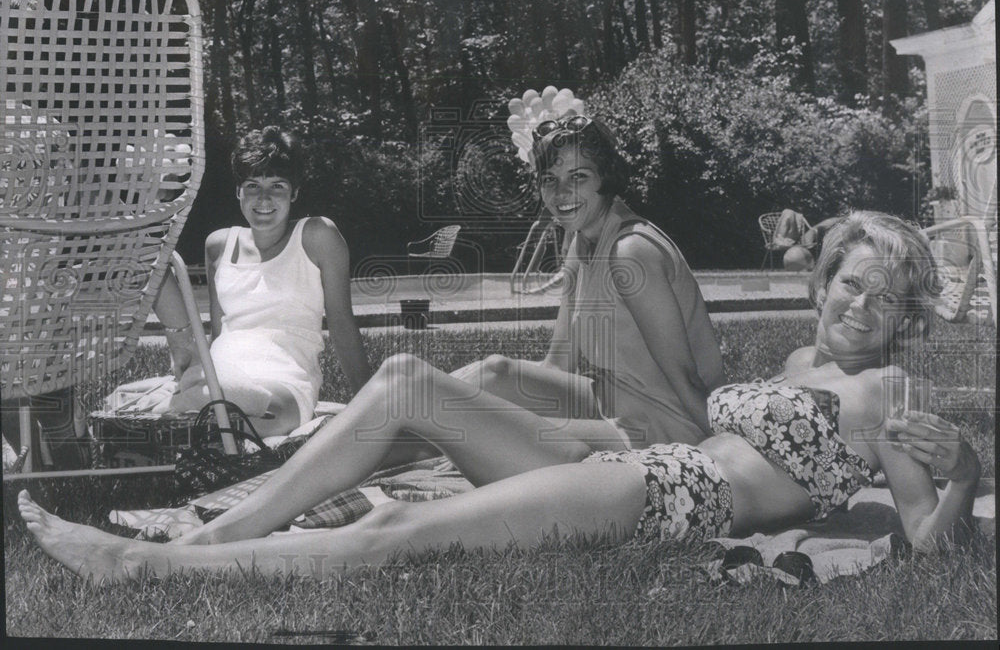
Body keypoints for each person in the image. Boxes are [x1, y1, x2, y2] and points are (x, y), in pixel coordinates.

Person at [18, 211, 982, 582]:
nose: (861, 304)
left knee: (402, 527)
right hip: (632, 466)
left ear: (904, 315)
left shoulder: (887, 389)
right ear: (824, 282)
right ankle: (219, 536)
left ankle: (148, 571)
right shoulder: (798, 365)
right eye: (851, 283)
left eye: (885, 295)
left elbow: (927, 539)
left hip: (673, 496)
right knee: (405, 382)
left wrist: (966, 470)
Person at [452, 114, 725, 449]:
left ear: (605, 178)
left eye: (577, 176)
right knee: (495, 374)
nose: (561, 193)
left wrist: (725, 454)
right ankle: (399, 418)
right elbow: (558, 364)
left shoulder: (630, 252)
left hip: (663, 426)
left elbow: (687, 379)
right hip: (606, 401)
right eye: (549, 179)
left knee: (488, 429)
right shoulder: (581, 242)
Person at [153, 126, 371, 436]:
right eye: (252, 185)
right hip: (222, 375)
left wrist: (370, 404)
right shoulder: (219, 244)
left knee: (269, 416)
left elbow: (342, 326)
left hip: (283, 378)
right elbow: (219, 334)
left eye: (277, 185)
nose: (264, 198)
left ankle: (207, 421)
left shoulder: (317, 236)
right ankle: (210, 416)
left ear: (294, 192)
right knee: (221, 405)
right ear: (238, 192)